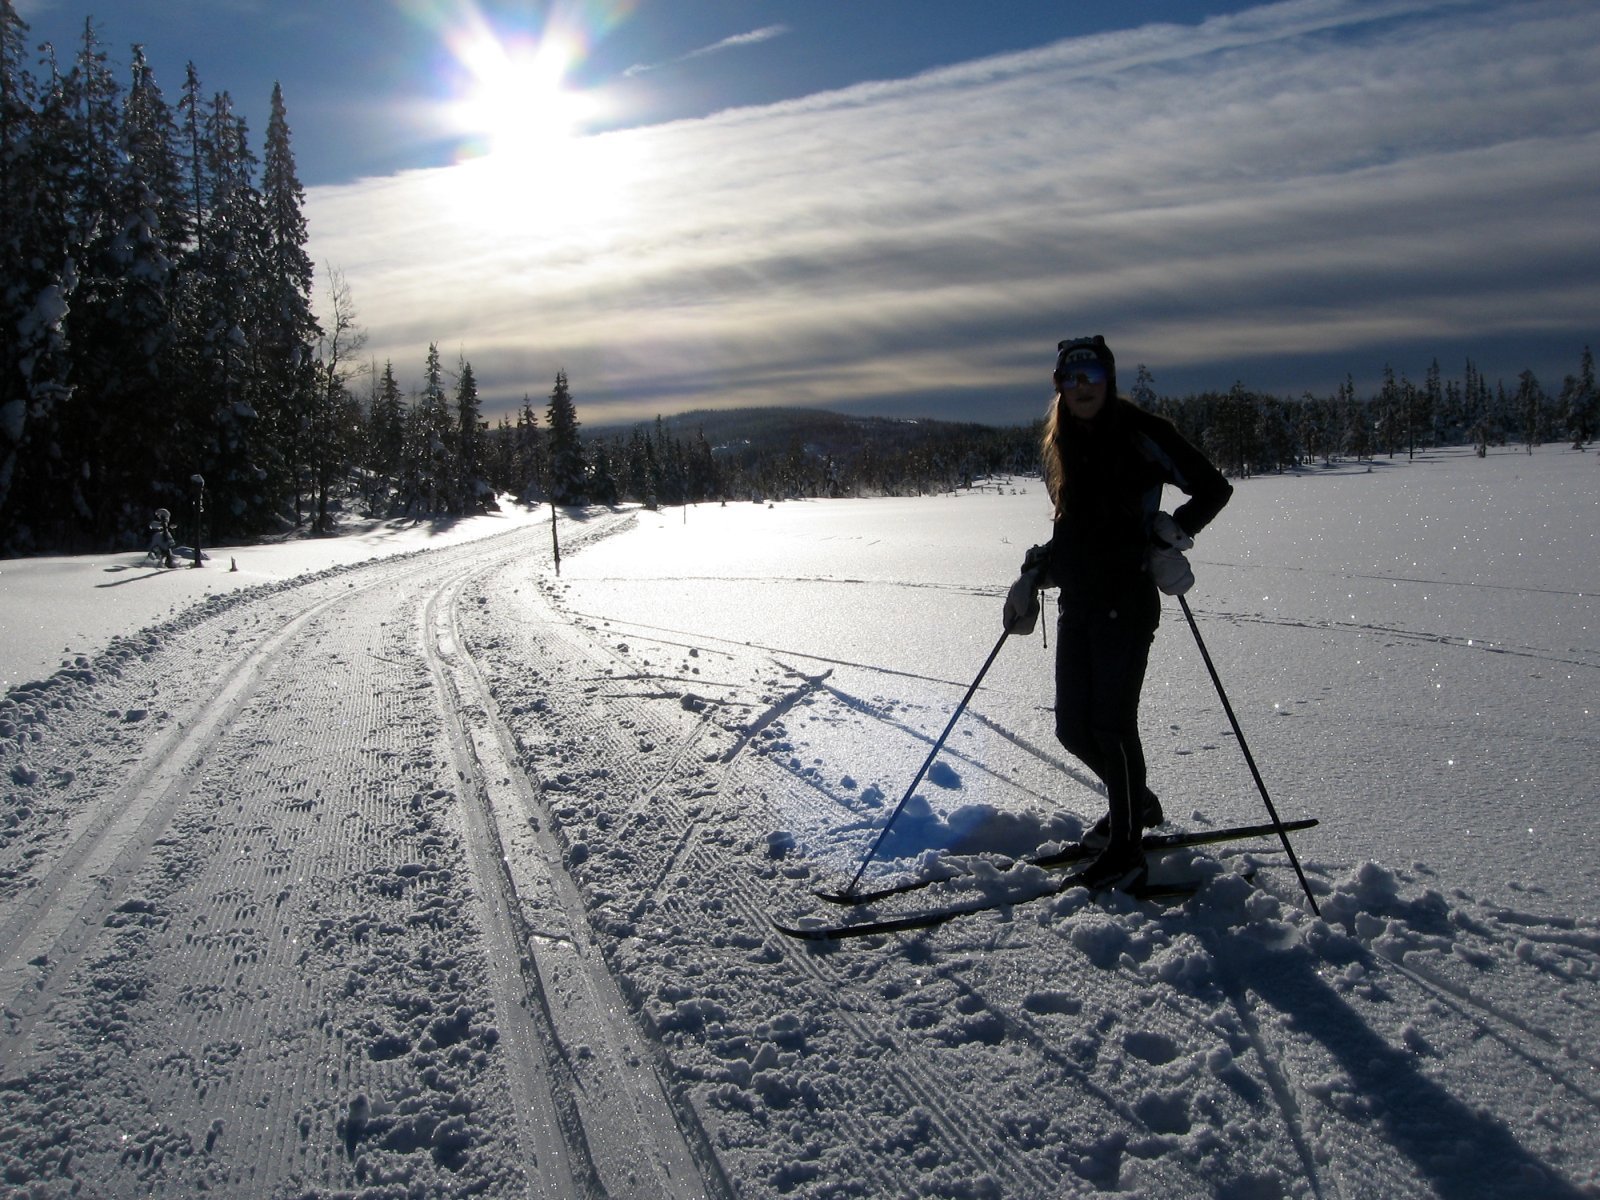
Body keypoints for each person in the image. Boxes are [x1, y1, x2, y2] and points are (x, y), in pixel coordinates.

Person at [1003, 336, 1232, 891]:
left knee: (1111, 725)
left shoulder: (1141, 433)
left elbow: (1212, 488)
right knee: (1073, 728)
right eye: (1070, 378)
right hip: (1078, 602)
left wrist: (1169, 533)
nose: (1081, 389)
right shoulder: (1061, 441)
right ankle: (1138, 808)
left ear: (1108, 381)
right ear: (1059, 384)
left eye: (1092, 377)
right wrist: (1037, 571)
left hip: (1125, 603)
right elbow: (1078, 529)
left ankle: (1127, 851)